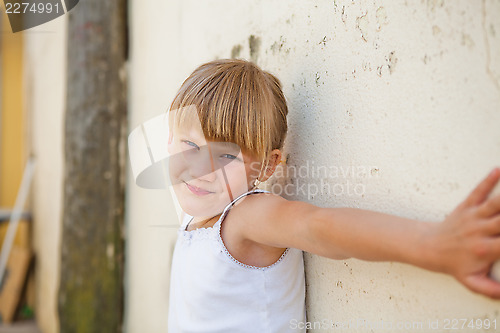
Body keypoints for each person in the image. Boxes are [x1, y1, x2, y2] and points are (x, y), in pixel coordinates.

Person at [164, 59, 500, 332]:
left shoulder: (244, 218)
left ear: (267, 167)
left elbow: (320, 226)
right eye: (190, 146)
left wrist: (434, 244)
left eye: (226, 156)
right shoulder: (194, 213)